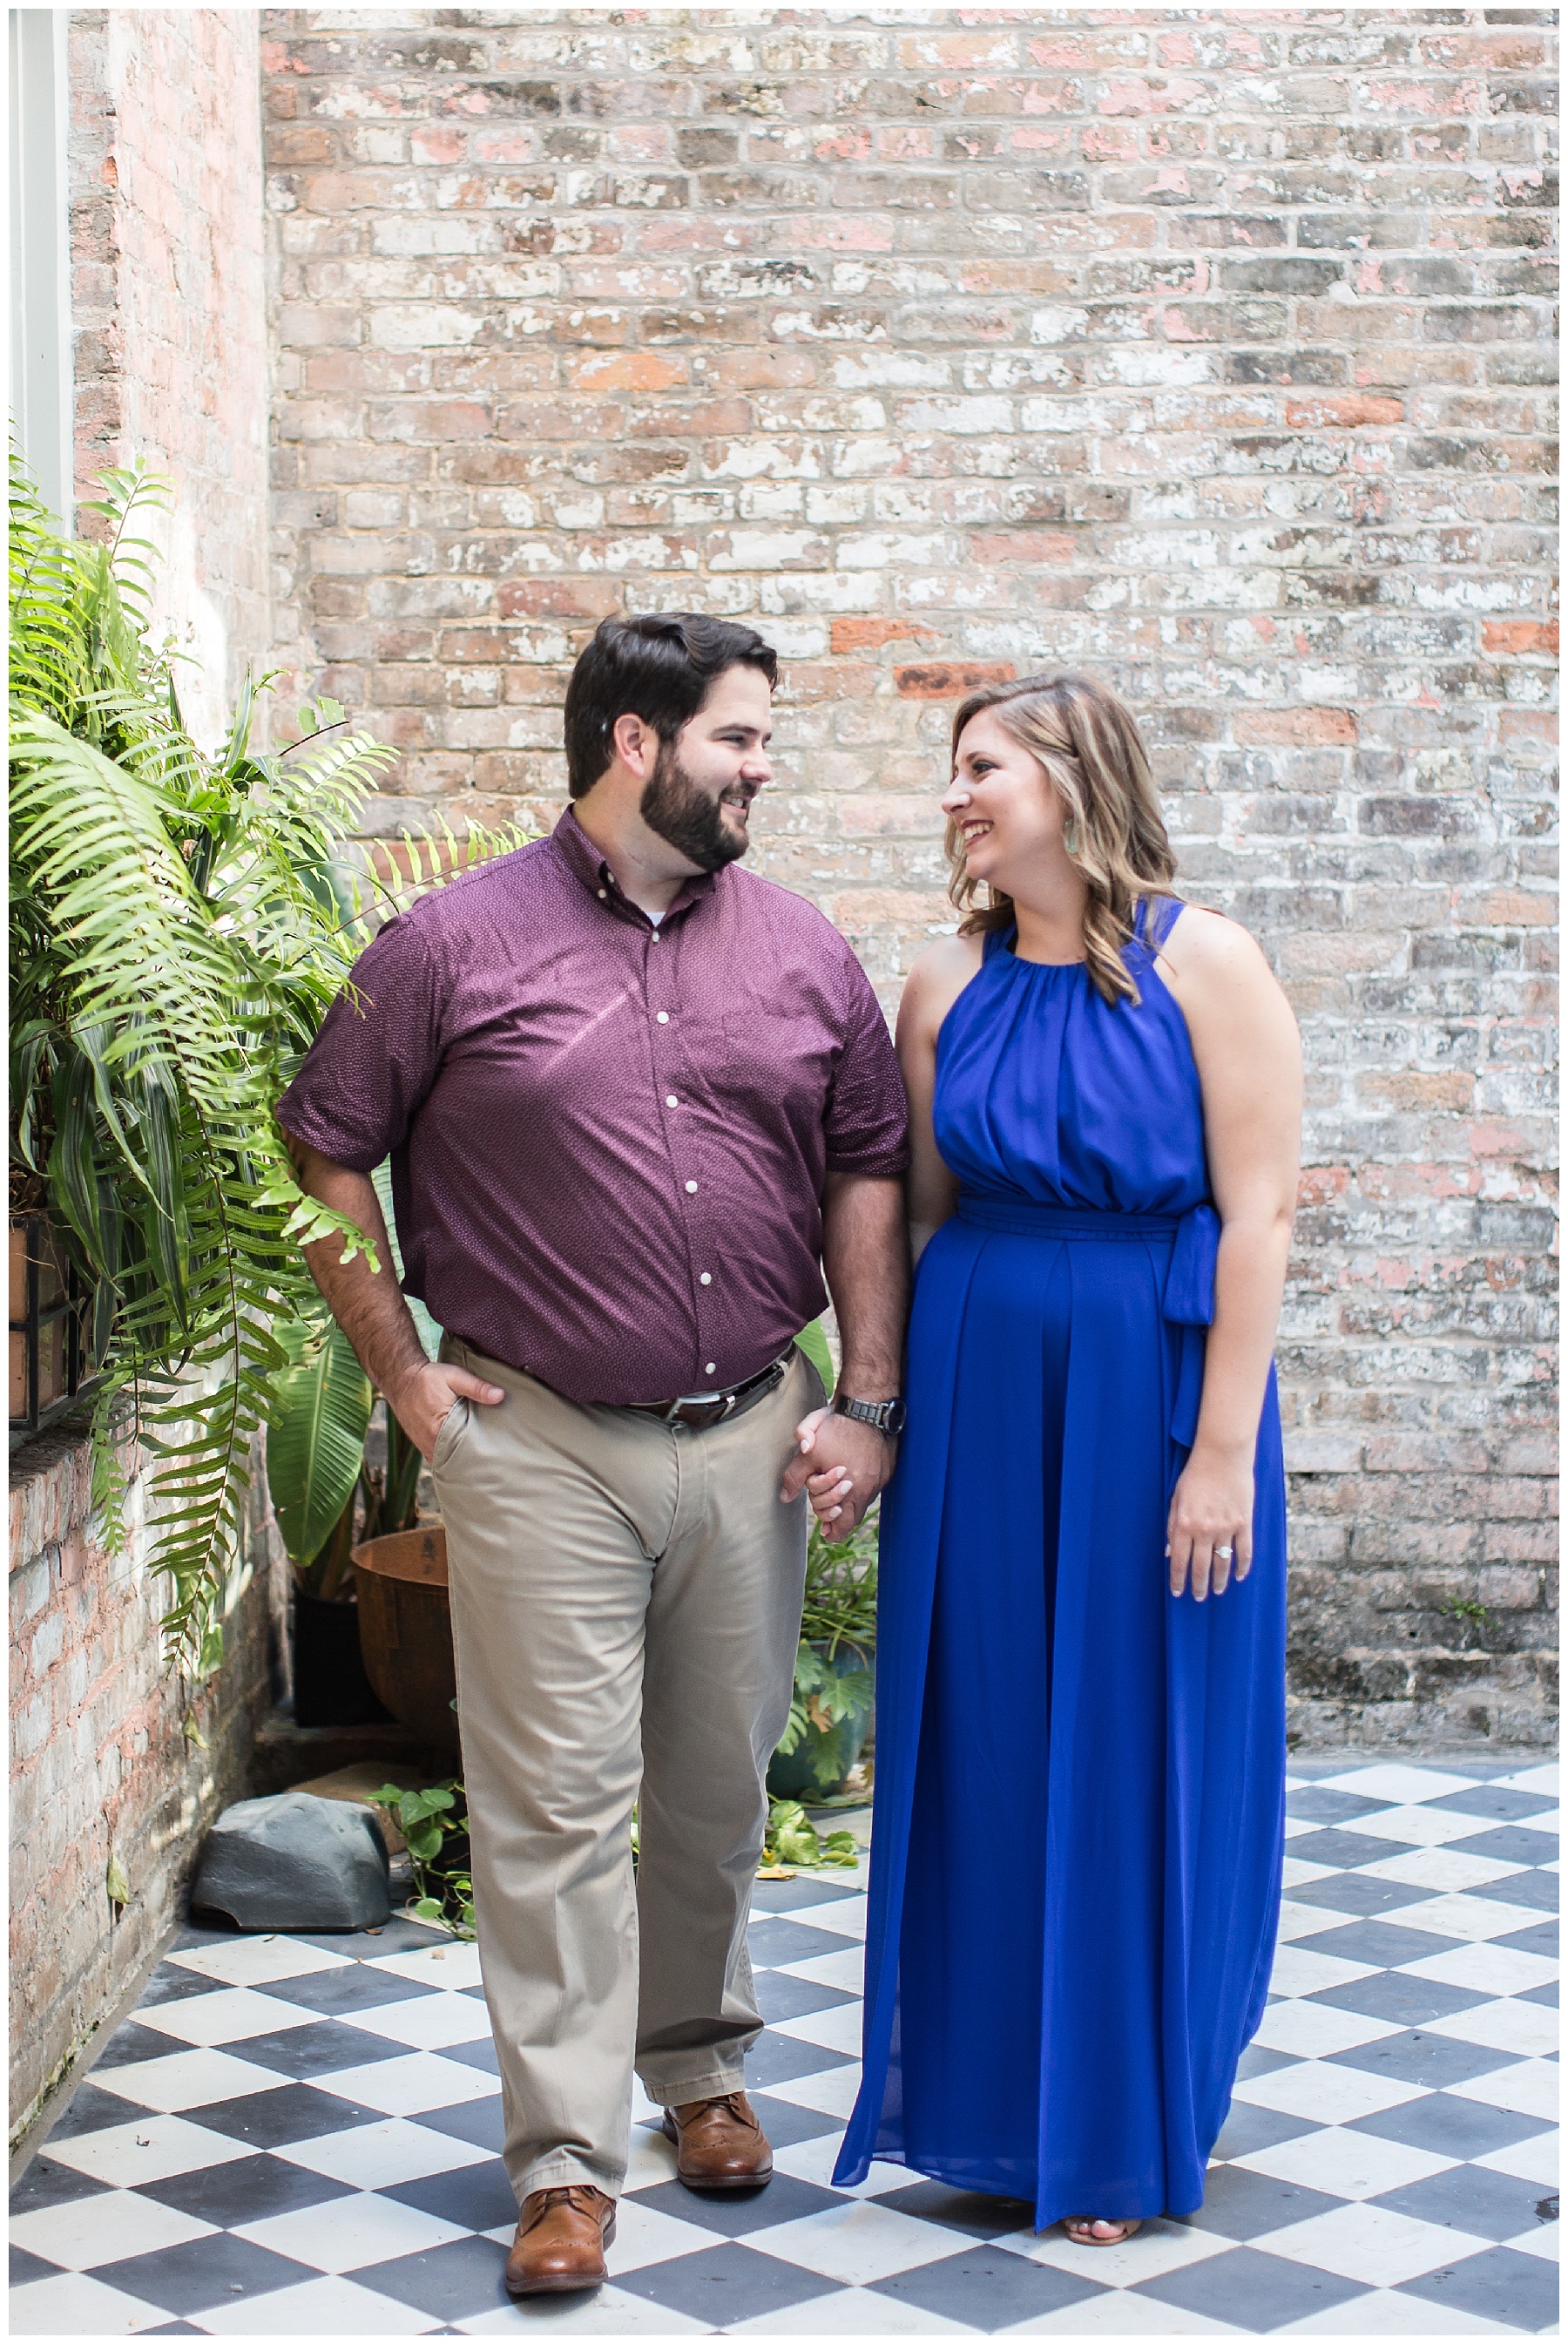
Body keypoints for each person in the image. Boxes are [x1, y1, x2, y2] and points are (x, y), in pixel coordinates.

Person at [278, 613, 909, 2294]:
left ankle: (699, 2068)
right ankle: (562, 2162)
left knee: (714, 1791)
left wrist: (868, 1399)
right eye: (739, 738)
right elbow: (322, 1145)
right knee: (553, 1810)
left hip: (753, 1433)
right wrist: (399, 1370)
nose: (764, 766)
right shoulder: (450, 945)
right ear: (636, 743)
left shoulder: (803, 951)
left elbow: (864, 1169)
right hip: (537, 1439)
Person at [832, 672, 1301, 2244]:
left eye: (982, 766)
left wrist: (1222, 1447)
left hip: (1152, 1395)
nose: (956, 794)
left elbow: (1263, 1214)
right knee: (988, 1741)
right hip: (984, 1389)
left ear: (1070, 776)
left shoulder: (1207, 964)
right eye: (952, 771)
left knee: (1135, 1742)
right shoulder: (941, 989)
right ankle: (995, 2106)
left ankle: (1120, 2118)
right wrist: (893, 1419)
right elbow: (920, 1217)